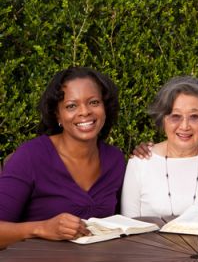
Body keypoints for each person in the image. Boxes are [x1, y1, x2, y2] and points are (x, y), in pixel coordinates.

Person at [0, 67, 125, 248]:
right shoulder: (30, 157)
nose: (85, 112)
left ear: (105, 107)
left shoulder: (115, 160)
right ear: (57, 114)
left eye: (94, 102)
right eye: (71, 106)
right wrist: (41, 228)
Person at [121, 76, 198, 217]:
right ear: (162, 120)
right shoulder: (140, 162)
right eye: (175, 116)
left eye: (194, 117)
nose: (184, 126)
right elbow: (129, 225)